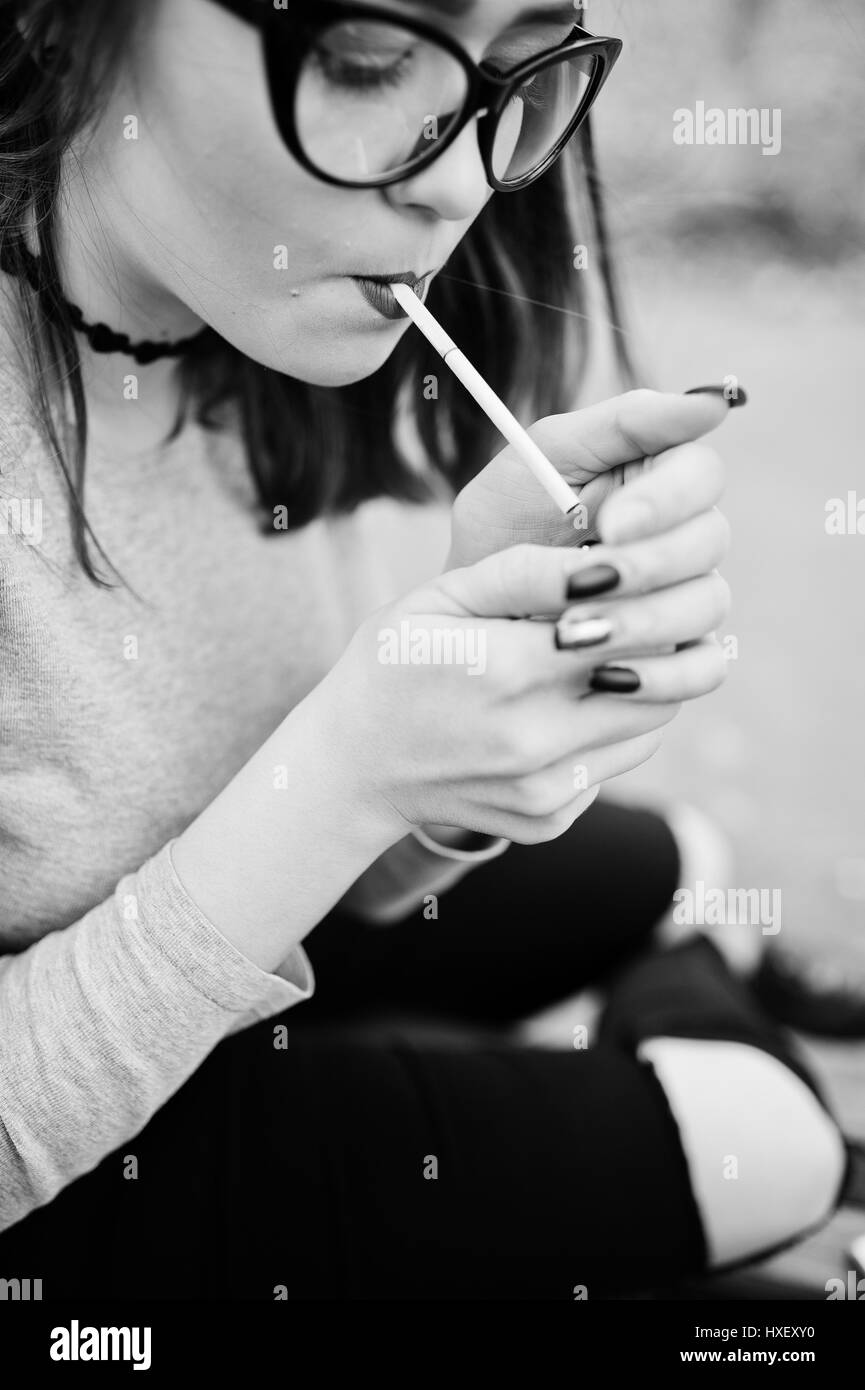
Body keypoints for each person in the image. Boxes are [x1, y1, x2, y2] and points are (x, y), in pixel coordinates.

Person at [0, 0, 852, 1299]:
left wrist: (451, 765)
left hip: (207, 952)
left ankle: (676, 962)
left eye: (514, 72)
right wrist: (344, 773)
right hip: (55, 1168)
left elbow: (338, 883)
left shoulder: (244, 315)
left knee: (680, 859)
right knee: (768, 1141)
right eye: (366, 59)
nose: (458, 177)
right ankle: (684, 1009)